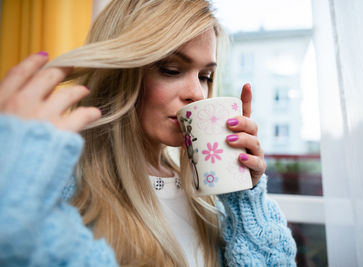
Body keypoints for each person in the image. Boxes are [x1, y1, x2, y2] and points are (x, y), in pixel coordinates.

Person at [0, 0, 297, 266]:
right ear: (121, 74)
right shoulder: (63, 190)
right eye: (171, 69)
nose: (197, 92)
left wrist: (246, 197)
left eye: (205, 76)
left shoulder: (209, 197)